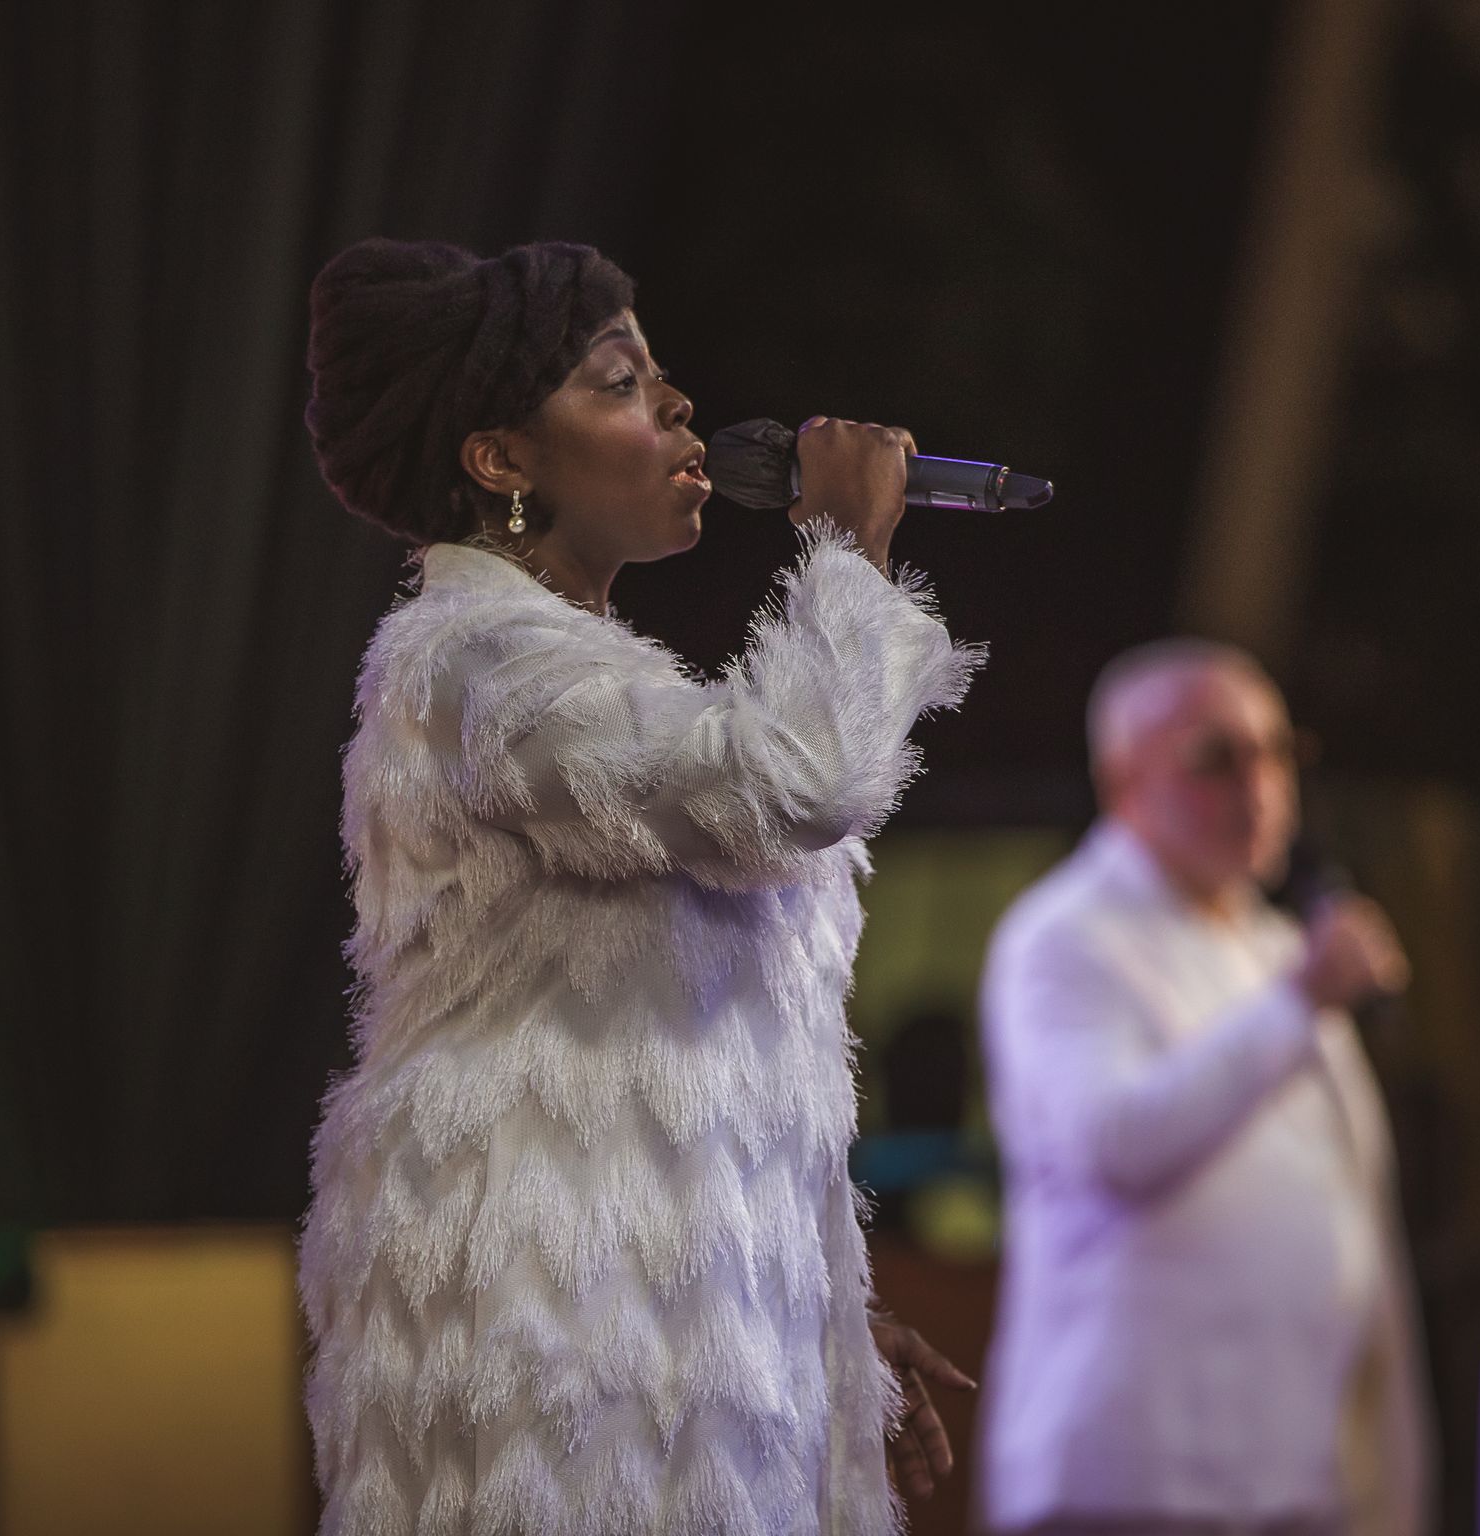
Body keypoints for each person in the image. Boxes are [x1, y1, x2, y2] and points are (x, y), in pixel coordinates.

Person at [296, 238, 980, 1536]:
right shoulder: (474, 663)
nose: (677, 406)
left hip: (674, 1333)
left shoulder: (598, 680)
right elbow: (794, 784)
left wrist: (814, 1300)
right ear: (500, 460)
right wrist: (843, 549)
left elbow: (718, 1057)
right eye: (620, 381)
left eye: (661, 374)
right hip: (549, 1341)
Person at [977, 640, 1435, 1536]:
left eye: (1277, 752)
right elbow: (1114, 1144)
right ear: (1121, 780)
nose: (1259, 787)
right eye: (1216, 759)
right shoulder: (1068, 936)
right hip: (1136, 1474)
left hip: (1293, 1471)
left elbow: (1355, 1218)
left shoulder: (1271, 945)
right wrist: (1300, 1002)